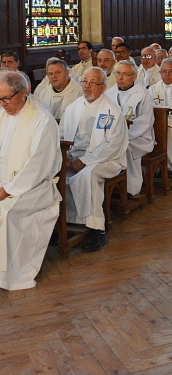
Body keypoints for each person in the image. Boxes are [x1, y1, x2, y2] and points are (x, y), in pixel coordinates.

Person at [0, 70, 61, 290]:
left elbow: (39, 165)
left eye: (7, 98)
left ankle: (13, 275)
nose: (3, 104)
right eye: (0, 98)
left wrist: (8, 189)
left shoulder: (41, 119)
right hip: (4, 181)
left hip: (34, 186)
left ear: (24, 92)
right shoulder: (2, 114)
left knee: (6, 211)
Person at [60, 67, 128, 252]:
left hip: (106, 159)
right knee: (56, 175)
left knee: (87, 176)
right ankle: (64, 224)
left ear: (103, 87)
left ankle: (97, 230)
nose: (87, 87)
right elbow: (61, 134)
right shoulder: (73, 107)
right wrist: (65, 156)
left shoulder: (111, 111)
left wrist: (86, 160)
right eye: (84, 82)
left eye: (93, 83)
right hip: (74, 156)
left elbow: (113, 145)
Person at [106, 61, 155, 196]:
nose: (120, 78)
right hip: (114, 136)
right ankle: (111, 183)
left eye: (125, 74)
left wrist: (123, 135)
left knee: (124, 146)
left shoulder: (143, 94)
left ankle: (129, 188)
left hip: (139, 138)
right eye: (118, 74)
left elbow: (145, 121)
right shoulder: (109, 93)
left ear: (134, 77)